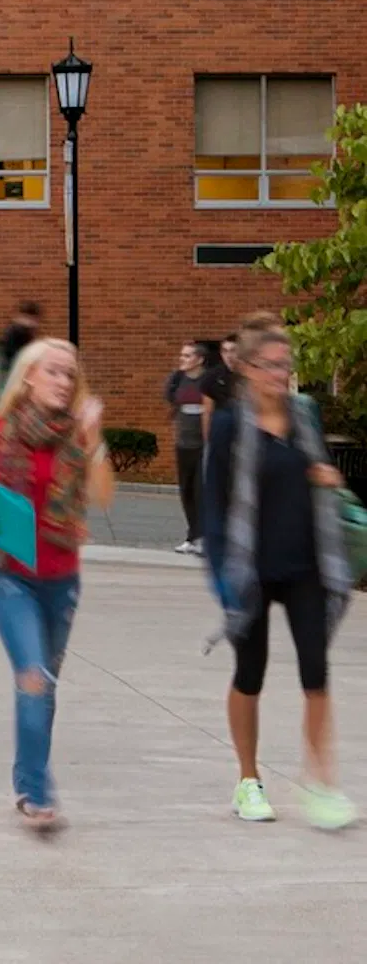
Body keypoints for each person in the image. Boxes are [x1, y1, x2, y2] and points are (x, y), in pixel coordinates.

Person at [200, 315, 353, 829]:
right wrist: (221, 575)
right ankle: (248, 780)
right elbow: (214, 506)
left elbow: (314, 472)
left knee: (317, 675)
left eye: (285, 364)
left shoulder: (305, 416)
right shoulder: (229, 425)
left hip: (308, 565)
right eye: (268, 365)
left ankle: (321, 783)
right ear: (245, 368)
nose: (279, 374)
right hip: (250, 571)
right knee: (251, 673)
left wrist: (324, 476)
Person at [0, 334, 113, 832]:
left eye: (70, 374)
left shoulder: (78, 434)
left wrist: (95, 438)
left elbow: (104, 496)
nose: (64, 381)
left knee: (44, 685)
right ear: (28, 377)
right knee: (32, 677)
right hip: (12, 578)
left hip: (62, 580)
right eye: (53, 371)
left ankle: (28, 778)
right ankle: (36, 792)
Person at [169, 339, 222, 556]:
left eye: (187, 355)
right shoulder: (177, 379)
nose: (182, 359)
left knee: (202, 491)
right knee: (187, 492)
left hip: (203, 444)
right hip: (183, 444)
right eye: (182, 355)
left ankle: (204, 537)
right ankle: (192, 536)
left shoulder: (208, 381)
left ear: (199, 359)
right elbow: (172, 402)